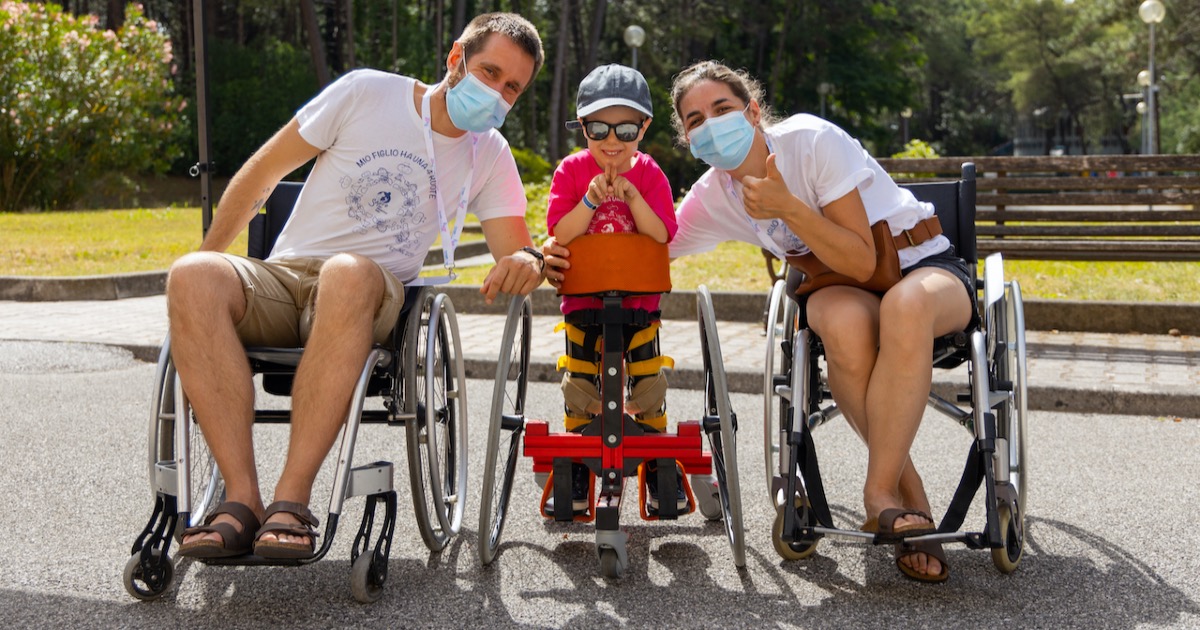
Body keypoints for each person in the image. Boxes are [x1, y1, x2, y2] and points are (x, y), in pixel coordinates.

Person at [543, 61, 974, 582]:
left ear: (752, 110)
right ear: (686, 137)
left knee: (904, 306)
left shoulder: (810, 141)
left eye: (722, 108)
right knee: (834, 322)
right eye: (695, 119)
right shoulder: (714, 194)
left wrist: (788, 207)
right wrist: (552, 255)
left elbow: (863, 259)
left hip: (922, 268)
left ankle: (880, 493)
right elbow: (651, 250)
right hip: (843, 291)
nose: (711, 123)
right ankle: (912, 501)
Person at [170, 13, 545, 560]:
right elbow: (262, 173)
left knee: (348, 271)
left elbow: (514, 249)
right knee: (191, 274)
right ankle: (240, 500)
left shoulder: (489, 154)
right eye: (489, 72)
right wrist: (208, 258)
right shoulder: (367, 92)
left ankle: (291, 501)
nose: (496, 93)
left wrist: (528, 261)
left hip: (371, 292)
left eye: (512, 87)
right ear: (455, 58)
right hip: (287, 276)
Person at [544, 64, 683, 516]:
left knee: (647, 382)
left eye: (625, 128)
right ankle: (579, 465)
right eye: (599, 127)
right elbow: (560, 235)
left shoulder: (650, 174)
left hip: (640, 300)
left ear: (643, 127)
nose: (612, 140)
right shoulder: (570, 171)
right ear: (582, 126)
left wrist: (632, 198)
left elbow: (661, 236)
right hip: (583, 299)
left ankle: (660, 464)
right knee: (581, 381)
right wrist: (589, 199)